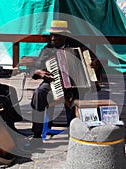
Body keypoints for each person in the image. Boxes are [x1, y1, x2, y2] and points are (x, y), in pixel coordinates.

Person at [26, 20, 101, 149]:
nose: (53, 38)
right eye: (51, 35)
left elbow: (94, 63)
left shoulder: (79, 47)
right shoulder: (48, 49)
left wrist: (94, 64)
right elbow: (34, 69)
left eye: (56, 35)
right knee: (39, 93)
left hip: (77, 85)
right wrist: (40, 72)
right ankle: (37, 136)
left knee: (76, 100)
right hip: (53, 83)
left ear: (65, 35)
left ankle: (73, 134)